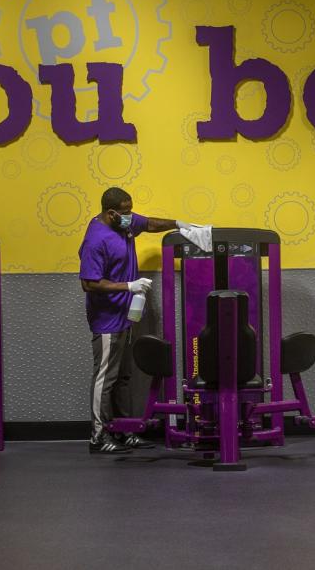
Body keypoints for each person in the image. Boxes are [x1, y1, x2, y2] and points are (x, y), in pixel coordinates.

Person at [78, 186, 191, 454]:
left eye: (131, 210)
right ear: (111, 212)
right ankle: (98, 436)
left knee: (124, 377)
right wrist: (128, 286)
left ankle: (126, 430)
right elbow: (89, 283)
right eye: (126, 212)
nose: (131, 216)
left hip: (126, 315)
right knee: (105, 377)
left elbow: (150, 223)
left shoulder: (124, 224)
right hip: (106, 319)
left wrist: (179, 224)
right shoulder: (96, 239)